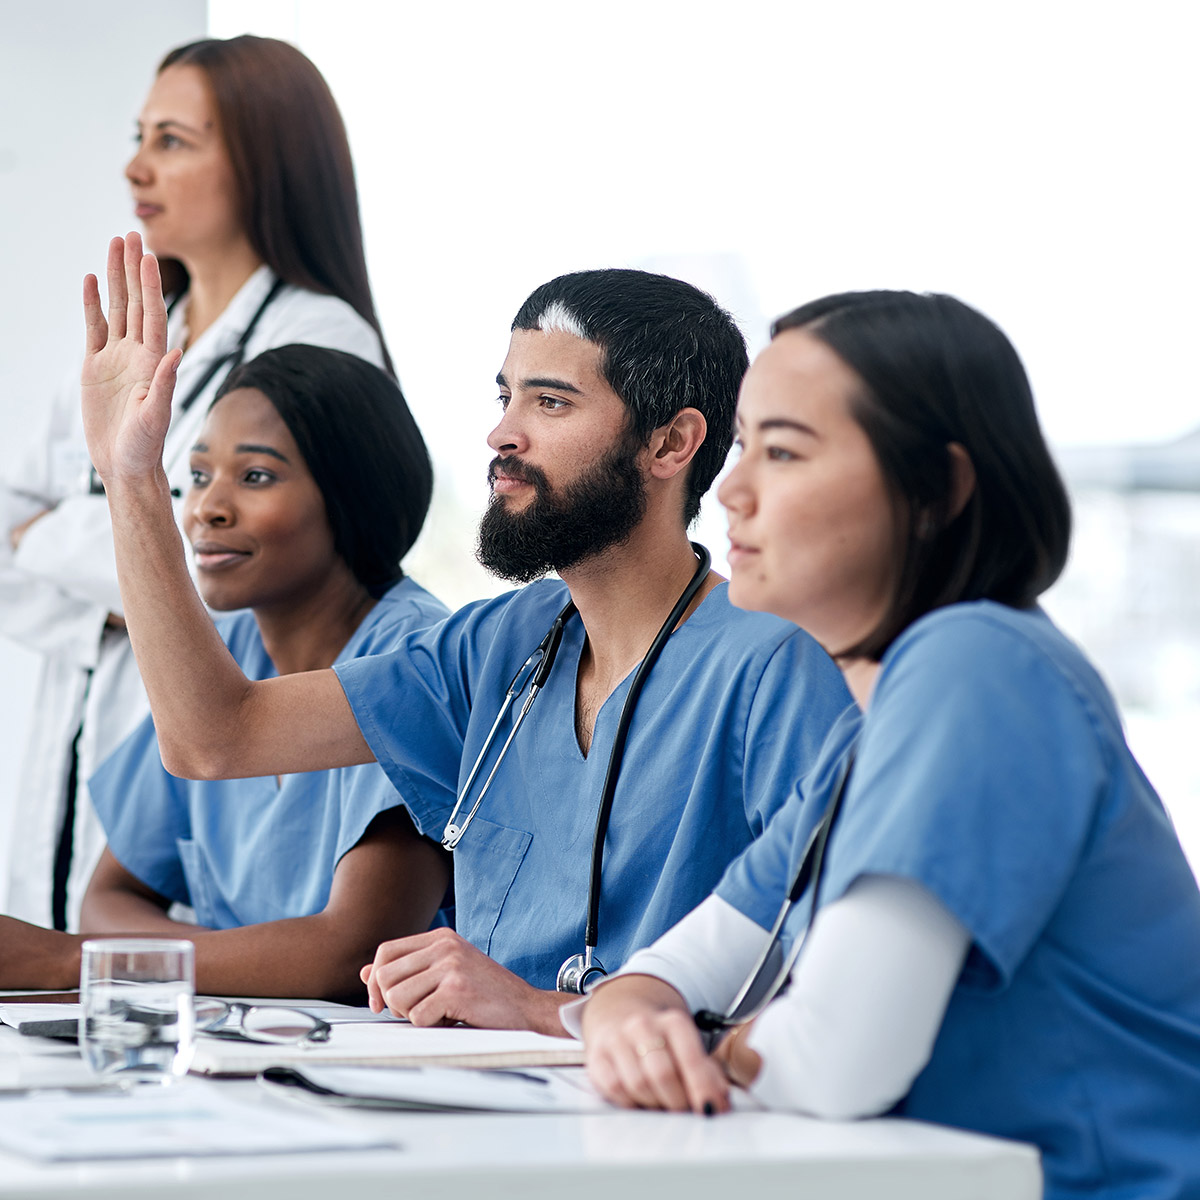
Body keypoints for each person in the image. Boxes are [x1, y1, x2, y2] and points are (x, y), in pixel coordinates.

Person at [79, 237, 853, 1034]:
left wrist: (538, 1010)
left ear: (669, 444)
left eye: (550, 403)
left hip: (661, 1128)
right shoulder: (498, 648)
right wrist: (130, 475)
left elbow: (830, 995)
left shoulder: (772, 669)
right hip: (475, 1108)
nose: (502, 436)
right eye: (505, 398)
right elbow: (213, 737)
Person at [574, 291, 1200, 1200]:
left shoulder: (977, 664)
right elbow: (666, 972)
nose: (731, 490)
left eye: (782, 451)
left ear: (937, 491)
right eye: (742, 445)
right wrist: (630, 1014)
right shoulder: (862, 745)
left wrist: (699, 1042)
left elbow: (837, 1062)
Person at [0, 35, 391, 932]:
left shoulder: (320, 339)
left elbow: (235, 569)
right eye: (141, 135)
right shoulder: (146, 328)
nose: (137, 165)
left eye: (173, 140)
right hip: (86, 713)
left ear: (263, 162)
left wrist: (89, 551)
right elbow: (5, 528)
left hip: (205, 730)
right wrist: (134, 588)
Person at [0, 344, 450, 998]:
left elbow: (349, 951)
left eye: (256, 477)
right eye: (198, 476)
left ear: (354, 493)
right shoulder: (219, 655)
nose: (207, 508)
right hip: (231, 1045)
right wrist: (238, 960)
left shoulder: (420, 659)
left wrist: (77, 963)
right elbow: (107, 900)